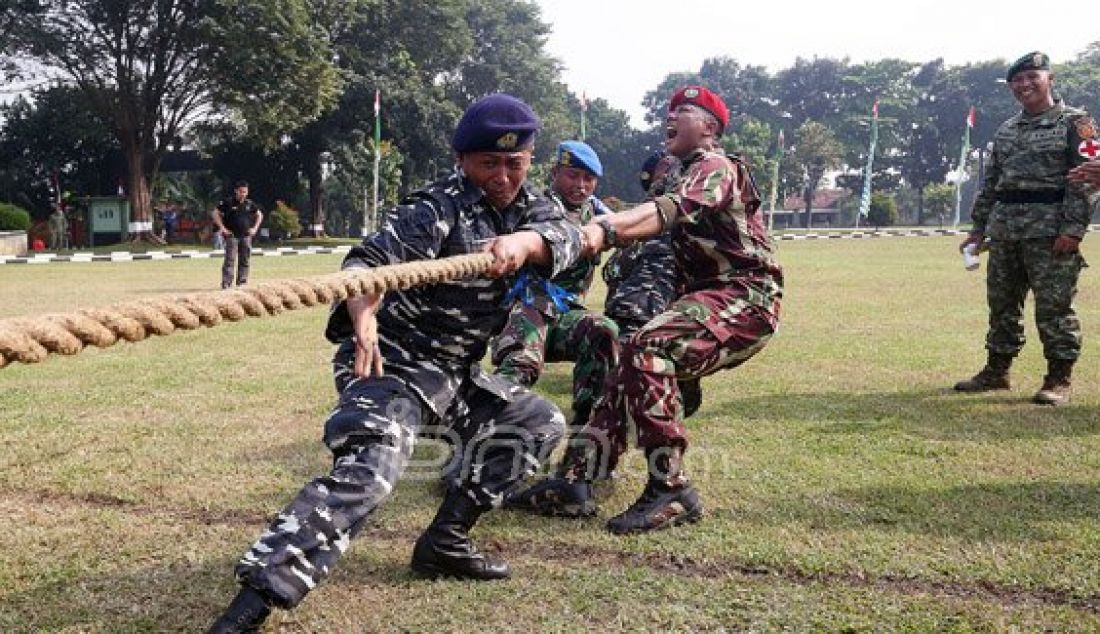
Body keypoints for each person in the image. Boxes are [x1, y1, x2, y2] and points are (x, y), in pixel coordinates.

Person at [208, 93, 582, 632]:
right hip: (391, 365)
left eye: (515, 163)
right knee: (374, 468)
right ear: (462, 161)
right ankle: (254, 600)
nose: (502, 176)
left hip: (455, 375)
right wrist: (363, 318)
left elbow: (569, 237)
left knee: (538, 422)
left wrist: (525, 242)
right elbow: (365, 265)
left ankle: (445, 542)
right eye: (488, 163)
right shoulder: (433, 209)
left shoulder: (536, 210)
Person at [508, 86, 783, 534]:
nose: (670, 117)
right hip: (708, 297)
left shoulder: (717, 167)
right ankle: (578, 480)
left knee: (648, 348)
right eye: (669, 111)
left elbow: (665, 212)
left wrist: (604, 230)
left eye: (684, 112)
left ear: (710, 128)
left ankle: (671, 488)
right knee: (628, 359)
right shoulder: (679, 171)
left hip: (745, 296)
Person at [954, 51, 1098, 406]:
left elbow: (1087, 181)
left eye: (1032, 77)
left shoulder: (1076, 123)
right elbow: (992, 185)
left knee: (1054, 307)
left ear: (1049, 79)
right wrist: (978, 230)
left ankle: (1058, 379)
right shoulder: (1007, 129)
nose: (1025, 85)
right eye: (1017, 81)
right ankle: (996, 371)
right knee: (1002, 305)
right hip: (1005, 231)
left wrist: (1074, 229)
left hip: (1051, 232)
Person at [489, 140, 619, 455]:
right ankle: (479, 442)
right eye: (572, 175)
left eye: (588, 179)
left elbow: (623, 228)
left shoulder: (595, 210)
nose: (581, 185)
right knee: (520, 366)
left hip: (564, 313)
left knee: (603, 331)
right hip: (526, 306)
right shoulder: (535, 204)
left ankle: (585, 445)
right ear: (555, 173)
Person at [600, 151, 703, 418]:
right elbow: (614, 269)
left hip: (652, 298)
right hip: (641, 301)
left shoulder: (676, 199)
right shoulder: (656, 209)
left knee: (646, 356)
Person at [211, 181, 263, 289]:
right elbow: (215, 213)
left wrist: (255, 228)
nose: (243, 194)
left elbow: (259, 215)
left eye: (245, 192)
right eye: (241, 192)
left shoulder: (249, 203)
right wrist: (222, 228)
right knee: (230, 260)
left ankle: (242, 282)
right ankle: (226, 283)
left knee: (245, 260)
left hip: (246, 236)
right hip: (232, 235)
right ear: (236, 191)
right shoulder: (228, 202)